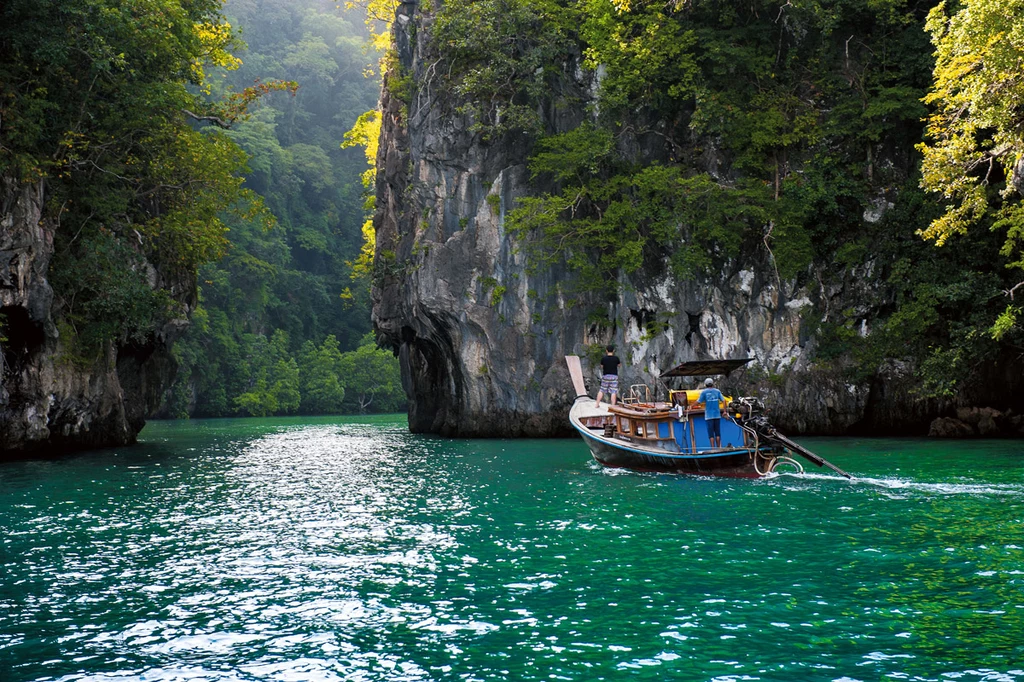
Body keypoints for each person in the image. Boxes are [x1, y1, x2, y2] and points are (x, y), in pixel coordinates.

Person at [696, 377, 724, 449]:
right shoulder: (717, 391)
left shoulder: (704, 392)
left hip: (709, 416)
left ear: (705, 384)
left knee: (711, 434)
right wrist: (725, 411)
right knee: (717, 433)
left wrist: (690, 406)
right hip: (717, 415)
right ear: (712, 384)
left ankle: (713, 449)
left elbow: (698, 401)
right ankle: (719, 448)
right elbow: (724, 401)